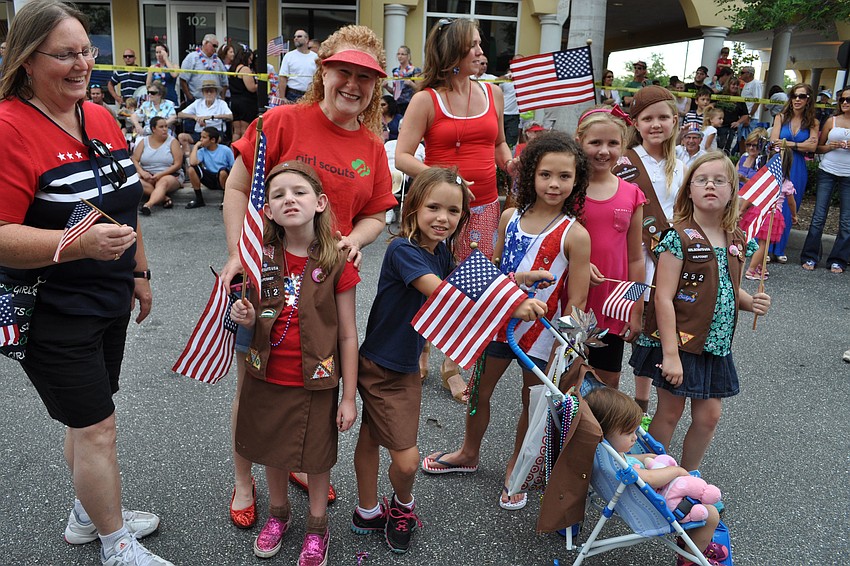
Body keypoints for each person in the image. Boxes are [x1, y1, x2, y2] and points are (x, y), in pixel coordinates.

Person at [0, 1, 170, 564]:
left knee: (87, 415)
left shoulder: (96, 116)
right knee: (98, 427)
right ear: (27, 60)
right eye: (66, 55)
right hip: (52, 308)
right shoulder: (8, 127)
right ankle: (114, 543)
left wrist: (139, 271)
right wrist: (73, 246)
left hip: (109, 297)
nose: (82, 65)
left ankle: (86, 514)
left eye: (86, 52)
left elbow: (126, 206)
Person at [222, 24, 396, 530]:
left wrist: (355, 241)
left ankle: (298, 458)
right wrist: (238, 252)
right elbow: (236, 188)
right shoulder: (282, 121)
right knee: (253, 382)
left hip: (325, 283)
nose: (353, 84)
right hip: (268, 275)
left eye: (365, 77)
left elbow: (376, 214)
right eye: (344, 71)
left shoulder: (371, 145)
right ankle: (243, 478)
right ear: (324, 71)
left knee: (312, 380)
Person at [353, 166, 550, 550]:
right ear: (413, 207)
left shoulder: (438, 250)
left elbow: (465, 279)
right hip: (382, 365)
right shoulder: (404, 250)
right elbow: (444, 294)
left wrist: (516, 281)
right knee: (406, 459)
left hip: (401, 364)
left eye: (454, 211)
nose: (443, 218)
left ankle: (366, 511)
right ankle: (402, 503)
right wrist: (513, 306)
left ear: (464, 216)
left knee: (373, 434)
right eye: (433, 207)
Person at [421, 132, 590, 512]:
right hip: (498, 324)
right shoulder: (510, 217)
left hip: (544, 336)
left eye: (565, 176)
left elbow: (577, 301)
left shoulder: (576, 235)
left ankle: (518, 463)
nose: (554, 184)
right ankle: (468, 452)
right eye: (546, 174)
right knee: (479, 390)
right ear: (531, 174)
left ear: (577, 180)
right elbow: (495, 272)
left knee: (532, 403)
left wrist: (570, 352)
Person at [229, 161, 359, 564]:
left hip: (316, 380)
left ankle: (318, 525)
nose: (289, 200)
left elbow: (348, 334)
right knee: (273, 452)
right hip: (266, 376)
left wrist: (349, 397)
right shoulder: (260, 256)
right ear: (266, 210)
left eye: (299, 192)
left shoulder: (337, 261)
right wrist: (247, 318)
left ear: (319, 202)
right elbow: (258, 315)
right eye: (279, 195)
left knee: (316, 457)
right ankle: (279, 515)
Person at [395, 18, 514, 401]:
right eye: (473, 45)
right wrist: (447, 179)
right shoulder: (425, 100)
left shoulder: (491, 94)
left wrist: (517, 171)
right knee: (428, 277)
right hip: (435, 206)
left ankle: (452, 362)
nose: (482, 51)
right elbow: (401, 157)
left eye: (480, 44)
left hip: (482, 208)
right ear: (452, 55)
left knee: (469, 281)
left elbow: (499, 149)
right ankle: (421, 348)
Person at [630, 152, 771, 471]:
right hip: (680, 343)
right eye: (702, 180)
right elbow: (663, 298)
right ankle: (649, 474)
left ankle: (686, 478)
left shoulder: (736, 238)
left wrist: (751, 303)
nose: (711, 185)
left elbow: (726, 288)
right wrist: (670, 355)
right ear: (688, 190)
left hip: (716, 345)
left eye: (720, 180)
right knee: (669, 413)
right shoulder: (678, 238)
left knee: (709, 416)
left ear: (732, 191)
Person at [584, 387, 728, 565]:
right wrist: (677, 471)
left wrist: (646, 457)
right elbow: (650, 478)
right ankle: (690, 556)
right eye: (628, 433)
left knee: (703, 502)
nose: (635, 437)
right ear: (605, 434)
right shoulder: (623, 468)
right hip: (662, 507)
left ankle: (693, 543)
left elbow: (629, 459)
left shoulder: (608, 455)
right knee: (711, 514)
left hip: (657, 496)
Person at [620, 85, 685, 414]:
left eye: (663, 117)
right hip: (643, 255)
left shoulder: (683, 161)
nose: (655, 124)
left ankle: (654, 401)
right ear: (636, 124)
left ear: (675, 120)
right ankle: (639, 402)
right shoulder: (627, 162)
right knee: (644, 329)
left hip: (674, 255)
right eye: (648, 118)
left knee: (666, 326)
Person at [576, 108, 646, 388]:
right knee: (565, 378)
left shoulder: (631, 194)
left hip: (611, 306)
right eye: (595, 143)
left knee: (606, 383)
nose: (604, 151)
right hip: (572, 302)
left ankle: (599, 433)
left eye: (613, 143)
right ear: (579, 141)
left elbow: (636, 258)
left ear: (623, 146)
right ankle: (559, 433)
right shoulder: (567, 190)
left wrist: (636, 308)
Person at [769, 83, 819, 263]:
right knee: (773, 204)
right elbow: (774, 142)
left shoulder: (813, 122)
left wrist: (788, 143)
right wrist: (799, 145)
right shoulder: (780, 117)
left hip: (797, 165)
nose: (797, 99)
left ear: (808, 100)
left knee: (791, 205)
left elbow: (813, 146)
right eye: (794, 96)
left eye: (802, 96)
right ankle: (766, 247)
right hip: (779, 162)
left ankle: (780, 248)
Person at [802, 88, 850, 273]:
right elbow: (817, 148)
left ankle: (838, 260)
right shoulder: (832, 120)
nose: (845, 102)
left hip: (848, 176)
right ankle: (810, 256)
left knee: (846, 221)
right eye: (842, 99)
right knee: (818, 217)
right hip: (827, 171)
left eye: (848, 99)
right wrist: (830, 147)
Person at [743, 174, 795, 281]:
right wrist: (794, 215)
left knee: (765, 243)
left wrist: (742, 209)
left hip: (759, 211)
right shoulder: (786, 183)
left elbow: (752, 195)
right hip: (771, 214)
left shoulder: (765, 178)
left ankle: (760, 266)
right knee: (763, 244)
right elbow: (791, 202)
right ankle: (751, 270)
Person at [132, 116, 183, 215]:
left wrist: (160, 174)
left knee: (163, 182)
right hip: (148, 175)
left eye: (166, 126)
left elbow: (177, 164)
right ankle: (164, 198)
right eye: (161, 127)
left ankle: (148, 205)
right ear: (153, 129)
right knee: (135, 181)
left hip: (170, 174)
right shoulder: (144, 141)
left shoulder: (173, 142)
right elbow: (134, 159)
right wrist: (142, 172)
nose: (165, 129)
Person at [177, 78, 232, 154]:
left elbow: (230, 116)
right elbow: (180, 114)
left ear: (216, 92)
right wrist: (195, 117)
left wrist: (211, 117)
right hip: (199, 132)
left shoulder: (221, 103)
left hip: (215, 132)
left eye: (211, 91)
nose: (209, 93)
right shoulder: (198, 102)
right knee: (182, 137)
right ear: (203, 93)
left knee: (213, 139)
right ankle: (188, 160)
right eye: (206, 91)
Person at [186, 126, 234, 209]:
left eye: (204, 137)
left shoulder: (225, 150)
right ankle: (199, 199)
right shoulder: (202, 151)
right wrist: (196, 147)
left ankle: (225, 199)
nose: (201, 139)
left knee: (222, 171)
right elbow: (193, 162)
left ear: (213, 140)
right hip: (210, 178)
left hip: (223, 177)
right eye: (201, 137)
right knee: (191, 169)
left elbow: (233, 166)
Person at [179, 34, 227, 103]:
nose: (215, 49)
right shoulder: (192, 57)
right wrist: (190, 97)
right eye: (214, 45)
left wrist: (222, 99)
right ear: (205, 43)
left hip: (215, 102)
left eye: (217, 46)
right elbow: (183, 79)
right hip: (197, 101)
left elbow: (225, 82)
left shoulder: (218, 61)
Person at [229, 45, 258, 143]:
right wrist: (260, 84)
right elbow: (251, 88)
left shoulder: (232, 69)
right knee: (245, 131)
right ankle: (243, 155)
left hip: (235, 102)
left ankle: (233, 154)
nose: (250, 62)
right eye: (250, 59)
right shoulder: (245, 69)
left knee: (236, 132)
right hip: (246, 103)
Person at [279, 29, 318, 103]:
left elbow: (319, 78)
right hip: (292, 95)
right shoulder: (288, 56)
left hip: (311, 95)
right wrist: (282, 97)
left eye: (299, 36)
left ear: (306, 39)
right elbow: (283, 77)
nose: (296, 38)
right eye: (295, 37)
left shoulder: (315, 57)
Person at [714, 78, 749, 154]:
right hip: (717, 127)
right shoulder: (720, 95)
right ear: (728, 85)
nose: (735, 86)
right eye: (733, 84)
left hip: (731, 128)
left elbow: (745, 114)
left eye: (737, 85)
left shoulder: (740, 99)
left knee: (727, 150)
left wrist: (738, 122)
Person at [385, 44, 420, 115]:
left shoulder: (414, 70)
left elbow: (419, 89)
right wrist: (386, 87)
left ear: (408, 56)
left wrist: (411, 84)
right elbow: (395, 92)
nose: (400, 56)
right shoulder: (396, 71)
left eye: (403, 54)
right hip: (396, 104)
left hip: (409, 104)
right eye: (398, 54)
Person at [499, 54, 522, 147]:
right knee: (499, 139)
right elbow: (499, 92)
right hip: (502, 114)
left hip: (514, 115)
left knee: (511, 141)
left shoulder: (526, 79)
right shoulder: (505, 78)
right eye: (516, 61)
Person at [738, 66, 762, 150]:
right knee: (741, 140)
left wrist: (749, 116)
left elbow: (757, 101)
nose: (740, 74)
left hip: (751, 118)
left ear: (749, 74)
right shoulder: (746, 85)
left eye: (742, 72)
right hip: (744, 117)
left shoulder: (755, 84)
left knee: (749, 141)